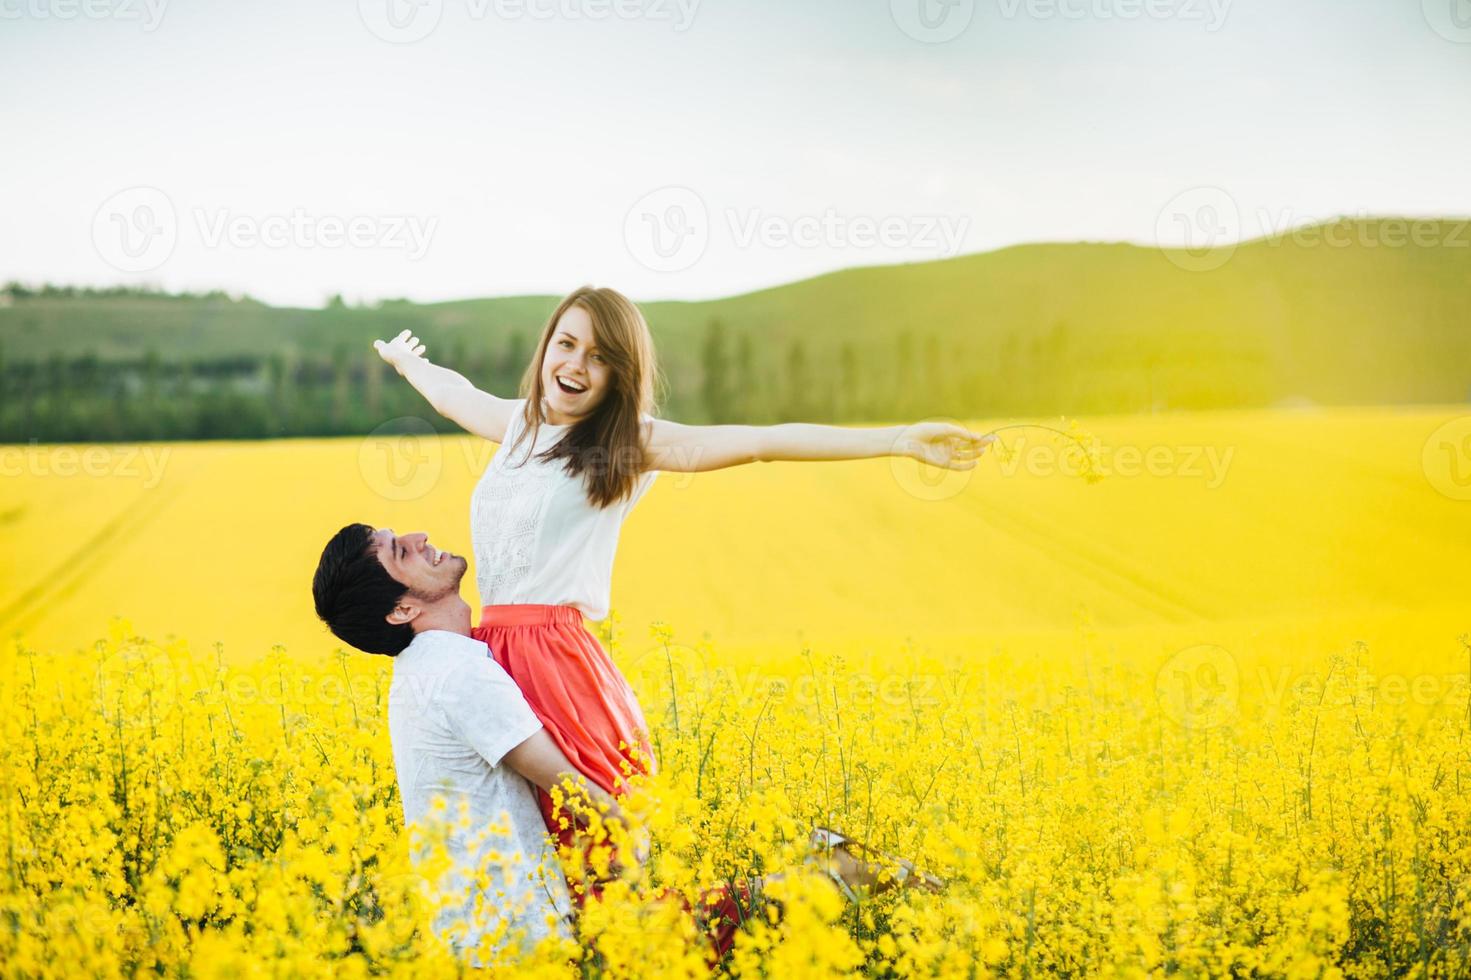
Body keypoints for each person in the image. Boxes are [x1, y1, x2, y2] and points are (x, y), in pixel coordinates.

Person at [371, 287, 992, 869]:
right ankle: (826, 873)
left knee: (604, 877)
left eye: (600, 357)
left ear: (620, 376)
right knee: (546, 871)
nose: (577, 366)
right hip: (495, 658)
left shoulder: (625, 444)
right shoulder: (517, 427)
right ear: (547, 346)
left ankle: (836, 874)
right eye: (567, 344)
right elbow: (449, 390)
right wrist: (406, 363)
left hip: (555, 665)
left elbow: (760, 441)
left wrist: (900, 439)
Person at [312, 522, 944, 965]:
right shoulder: (456, 668)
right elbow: (556, 773)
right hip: (513, 939)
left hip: (485, 932)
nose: (419, 537)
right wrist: (634, 827)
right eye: (400, 551)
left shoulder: (425, 669)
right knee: (691, 934)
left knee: (690, 934)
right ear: (399, 611)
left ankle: (834, 870)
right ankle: (839, 869)